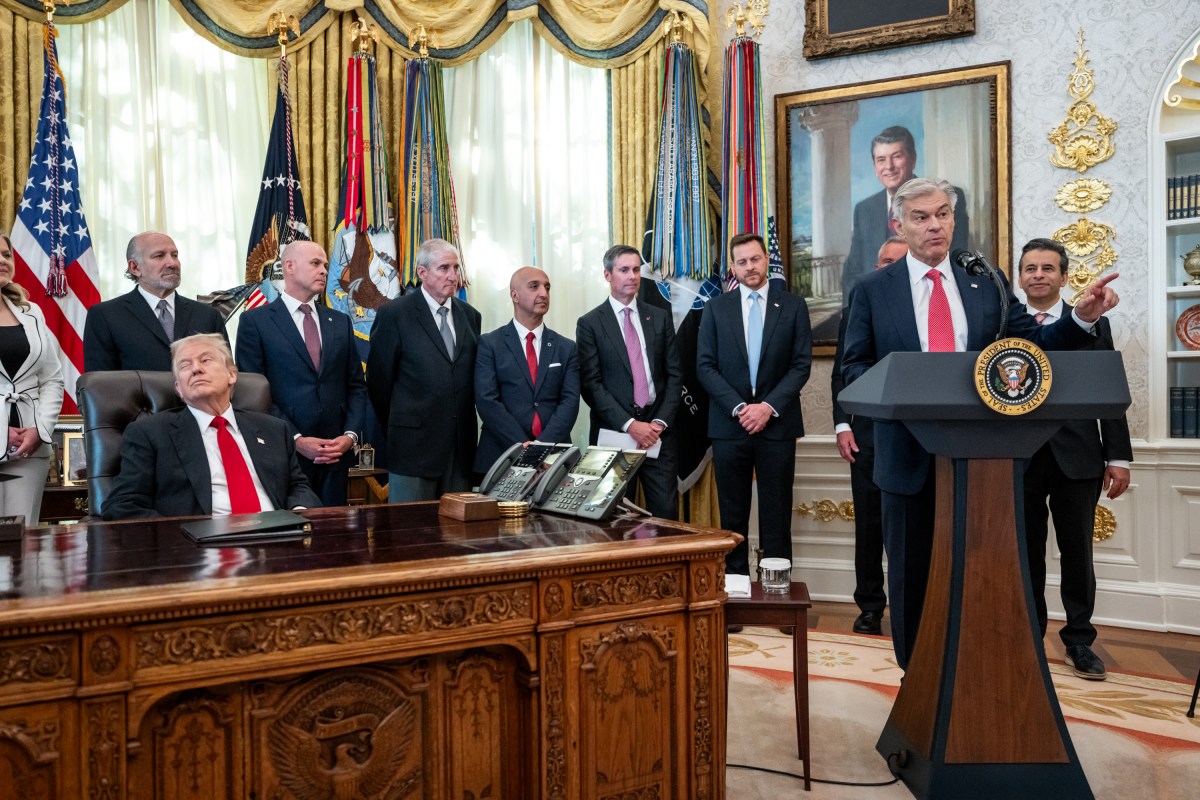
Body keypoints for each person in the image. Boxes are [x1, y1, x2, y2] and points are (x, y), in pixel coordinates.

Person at [840, 177, 1120, 669]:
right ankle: (917, 680)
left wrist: (1079, 319)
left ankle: (979, 675)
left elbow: (1031, 350)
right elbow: (853, 368)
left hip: (983, 456)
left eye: (943, 214)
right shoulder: (872, 289)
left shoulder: (984, 281)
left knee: (984, 571)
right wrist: (906, 387)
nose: (935, 226)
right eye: (922, 217)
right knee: (912, 574)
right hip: (906, 455)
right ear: (899, 224)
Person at [1016, 237, 1132, 681]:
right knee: (1024, 554)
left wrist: (1118, 455)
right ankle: (1028, 637)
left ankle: (1080, 641)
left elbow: (1108, 389)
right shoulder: (1005, 324)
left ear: (1064, 277)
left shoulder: (1091, 320)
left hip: (1078, 456)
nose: (1039, 274)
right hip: (1019, 457)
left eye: (1048, 268)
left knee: (1077, 555)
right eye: (1030, 268)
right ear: (1021, 277)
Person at [102, 333, 319, 520]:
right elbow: (123, 505)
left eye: (206, 360)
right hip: (200, 551)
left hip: (279, 543)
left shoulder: (274, 429)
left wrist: (297, 515)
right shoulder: (150, 433)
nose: (196, 369)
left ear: (232, 375)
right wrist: (183, 538)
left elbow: (298, 487)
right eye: (184, 366)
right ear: (178, 388)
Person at [697, 232, 813, 575]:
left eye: (755, 259)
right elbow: (705, 365)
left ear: (767, 260)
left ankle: (777, 593)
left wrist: (766, 407)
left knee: (776, 514)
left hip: (777, 425)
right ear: (732, 268)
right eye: (742, 262)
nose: (750, 267)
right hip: (729, 427)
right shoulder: (715, 309)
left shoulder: (793, 306)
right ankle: (737, 588)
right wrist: (739, 408)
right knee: (732, 515)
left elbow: (800, 365)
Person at [235, 240, 367, 507]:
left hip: (335, 455)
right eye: (316, 263)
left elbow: (356, 386)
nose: (324, 271)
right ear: (290, 267)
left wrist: (349, 436)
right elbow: (253, 395)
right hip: (283, 454)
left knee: (334, 537)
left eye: (325, 265)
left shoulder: (339, 321)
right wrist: (296, 439)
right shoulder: (256, 322)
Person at [831, 236, 907, 635]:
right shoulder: (855, 309)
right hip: (865, 439)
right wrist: (842, 424)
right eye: (881, 260)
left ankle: (912, 607)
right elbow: (841, 374)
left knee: (909, 530)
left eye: (893, 261)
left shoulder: (920, 313)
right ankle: (870, 607)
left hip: (914, 439)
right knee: (869, 527)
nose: (883, 267)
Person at [366, 238, 481, 502]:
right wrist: (401, 423)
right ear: (422, 273)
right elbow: (378, 383)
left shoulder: (471, 316)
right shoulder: (394, 315)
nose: (453, 276)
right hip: (412, 447)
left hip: (460, 450)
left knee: (457, 535)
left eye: (456, 268)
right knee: (412, 533)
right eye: (444, 268)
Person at [577, 245, 682, 519]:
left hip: (658, 434)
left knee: (666, 514)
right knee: (613, 518)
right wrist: (630, 425)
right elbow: (591, 384)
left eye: (636, 269)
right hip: (614, 433)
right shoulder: (589, 323)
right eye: (624, 270)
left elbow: (674, 376)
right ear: (607, 275)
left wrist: (657, 424)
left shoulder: (659, 316)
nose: (632, 276)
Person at [841, 126, 969, 298]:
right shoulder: (864, 209)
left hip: (931, 300)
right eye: (881, 160)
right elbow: (853, 269)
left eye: (897, 156)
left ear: (913, 159)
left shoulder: (945, 198)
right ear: (874, 166)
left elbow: (955, 259)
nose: (889, 167)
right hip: (876, 305)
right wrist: (851, 310)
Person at [474, 266, 580, 472]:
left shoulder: (565, 347)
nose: (543, 293)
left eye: (547, 288)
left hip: (554, 457)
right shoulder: (490, 344)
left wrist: (542, 447)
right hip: (501, 455)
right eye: (534, 286)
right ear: (514, 295)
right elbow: (487, 400)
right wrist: (521, 446)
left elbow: (570, 401)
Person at [83, 231, 228, 372]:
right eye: (159, 256)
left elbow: (226, 375)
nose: (172, 263)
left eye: (174, 255)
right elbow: (101, 387)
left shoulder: (208, 316)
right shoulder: (105, 316)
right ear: (135, 267)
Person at [0, 234, 63, 524]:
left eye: (6, 255)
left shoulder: (31, 312)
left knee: (24, 548)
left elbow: (52, 379)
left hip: (30, 447)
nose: (3, 260)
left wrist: (40, 428)